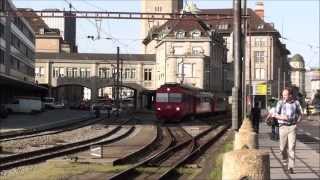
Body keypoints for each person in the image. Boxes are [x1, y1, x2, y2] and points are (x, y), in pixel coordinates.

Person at [271, 87, 303, 174]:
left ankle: (291, 167)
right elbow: (274, 114)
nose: (283, 96)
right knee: (282, 148)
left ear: (290, 95)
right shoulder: (280, 103)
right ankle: (285, 162)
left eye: (285, 95)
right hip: (283, 127)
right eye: (283, 94)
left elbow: (301, 113)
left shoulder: (296, 103)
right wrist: (282, 117)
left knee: (292, 147)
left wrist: (298, 122)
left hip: (292, 127)